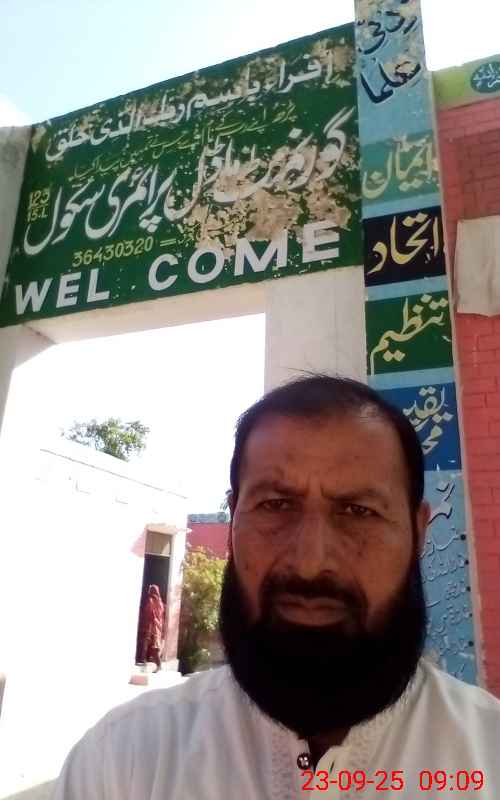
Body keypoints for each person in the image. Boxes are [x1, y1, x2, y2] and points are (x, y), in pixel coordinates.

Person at [54, 376, 500, 799]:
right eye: (276, 505)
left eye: (358, 511)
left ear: (419, 533)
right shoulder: (122, 762)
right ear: (233, 521)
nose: (310, 562)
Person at [138, 584, 166, 673]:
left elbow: (148, 612)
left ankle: (143, 661)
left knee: (146, 643)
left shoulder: (150, 601)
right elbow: (161, 616)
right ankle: (155, 664)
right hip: (158, 627)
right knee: (153, 646)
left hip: (150, 625)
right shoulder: (161, 603)